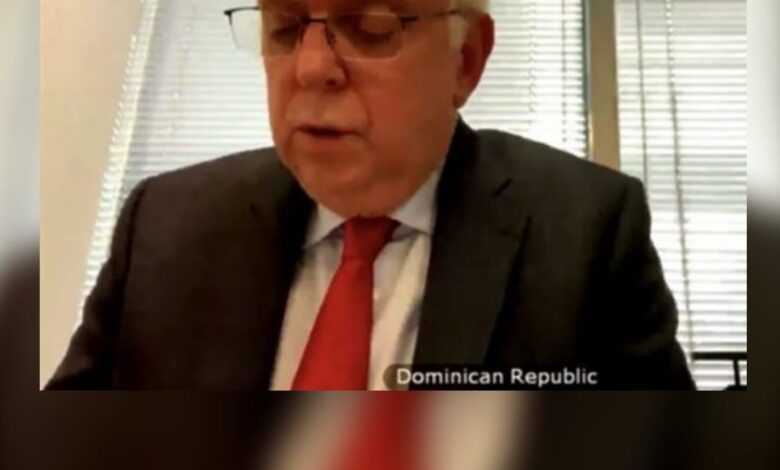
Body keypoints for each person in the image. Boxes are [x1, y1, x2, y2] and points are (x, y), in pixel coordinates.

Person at [47, 0, 693, 390]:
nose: (311, 68)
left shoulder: (587, 237)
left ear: (465, 60)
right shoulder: (164, 226)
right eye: (285, 27)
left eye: (371, 26)